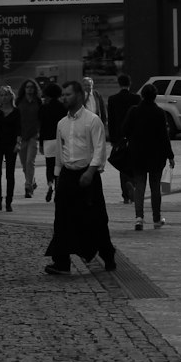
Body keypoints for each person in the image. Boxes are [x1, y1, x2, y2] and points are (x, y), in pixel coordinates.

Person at [44, 80, 116, 275]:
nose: (64, 98)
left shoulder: (92, 120)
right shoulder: (62, 124)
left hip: (88, 174)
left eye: (67, 94)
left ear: (78, 95)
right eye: (63, 95)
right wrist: (57, 178)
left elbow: (100, 149)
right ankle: (61, 262)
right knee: (62, 219)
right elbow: (60, 152)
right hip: (68, 174)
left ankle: (108, 256)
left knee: (97, 218)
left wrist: (91, 171)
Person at [122, 83, 174, 231]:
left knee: (140, 186)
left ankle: (139, 218)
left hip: (137, 154)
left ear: (142, 95)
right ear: (155, 96)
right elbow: (165, 137)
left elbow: (124, 130)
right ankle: (156, 219)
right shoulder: (159, 112)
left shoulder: (134, 111)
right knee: (155, 187)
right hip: (156, 155)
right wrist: (170, 156)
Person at [107, 73, 141, 205]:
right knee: (134, 163)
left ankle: (125, 195)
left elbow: (111, 120)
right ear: (130, 84)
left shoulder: (112, 99)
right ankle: (133, 184)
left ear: (119, 84)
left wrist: (113, 139)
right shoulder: (136, 98)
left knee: (122, 164)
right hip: (134, 136)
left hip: (119, 137)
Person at [15, 78, 42, 198]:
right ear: (24, 89)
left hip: (34, 135)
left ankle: (28, 187)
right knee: (24, 164)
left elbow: (41, 118)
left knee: (30, 161)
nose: (30, 89)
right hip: (22, 135)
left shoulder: (38, 102)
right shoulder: (19, 101)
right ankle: (32, 181)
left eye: (32, 87)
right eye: (27, 87)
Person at [38, 82, 65, 203]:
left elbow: (42, 127)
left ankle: (50, 185)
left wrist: (41, 143)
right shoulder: (63, 107)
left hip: (48, 140)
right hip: (60, 139)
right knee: (59, 165)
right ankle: (59, 187)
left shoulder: (44, 108)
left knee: (49, 165)